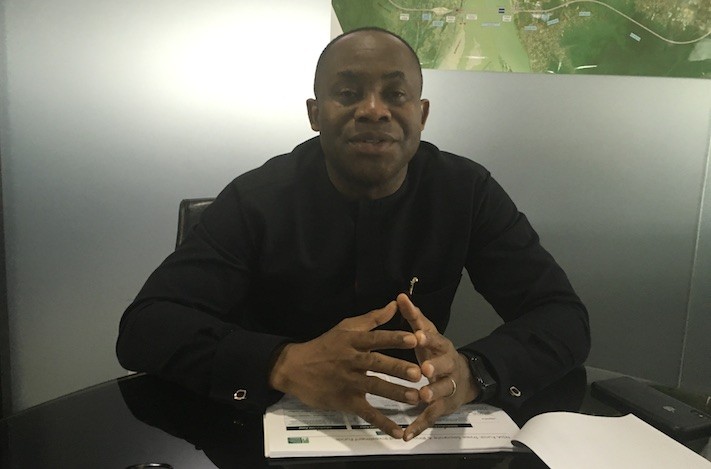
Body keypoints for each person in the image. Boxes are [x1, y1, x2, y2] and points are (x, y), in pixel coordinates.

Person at [116, 27, 590, 442]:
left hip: (415, 432)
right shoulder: (255, 198)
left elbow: (562, 317)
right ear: (315, 113)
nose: (373, 110)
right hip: (265, 429)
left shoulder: (467, 192)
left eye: (395, 94)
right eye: (348, 93)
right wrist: (280, 363)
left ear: (421, 114)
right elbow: (146, 326)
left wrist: (473, 371)